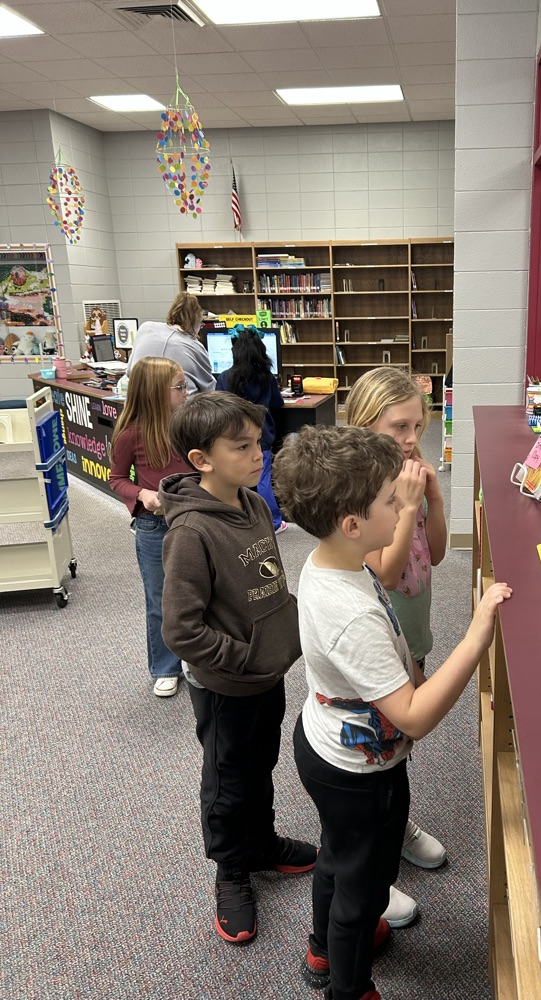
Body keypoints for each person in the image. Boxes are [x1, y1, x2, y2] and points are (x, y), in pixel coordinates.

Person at [273, 424, 512, 1000]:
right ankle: (347, 986)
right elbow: (413, 717)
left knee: (340, 857)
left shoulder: (333, 558)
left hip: (337, 746)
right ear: (353, 525)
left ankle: (323, 946)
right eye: (389, 500)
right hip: (357, 769)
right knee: (363, 885)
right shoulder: (348, 611)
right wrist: (476, 635)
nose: (399, 502)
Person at [158, 391, 316, 945]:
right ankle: (231, 870)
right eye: (242, 446)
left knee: (260, 765)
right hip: (228, 685)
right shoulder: (191, 532)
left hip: (266, 676)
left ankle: (263, 843)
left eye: (259, 443)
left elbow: (262, 579)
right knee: (227, 783)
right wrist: (244, 660)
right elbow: (180, 629)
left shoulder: (251, 504)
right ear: (202, 460)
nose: (259, 455)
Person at [345, 366, 447, 928]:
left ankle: (397, 825)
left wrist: (430, 496)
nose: (411, 439)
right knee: (372, 756)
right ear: (365, 425)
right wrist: (407, 504)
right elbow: (383, 571)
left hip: (415, 631)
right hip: (377, 644)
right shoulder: (361, 490)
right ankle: (372, 870)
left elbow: (437, 553)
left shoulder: (410, 479)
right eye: (398, 426)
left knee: (399, 746)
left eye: (418, 426)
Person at [110, 357, 193, 697]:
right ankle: (165, 666)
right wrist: (141, 493)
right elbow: (116, 479)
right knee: (160, 599)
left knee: (199, 593)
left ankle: (197, 658)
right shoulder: (131, 434)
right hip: (154, 527)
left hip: (193, 521)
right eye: (179, 388)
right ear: (157, 393)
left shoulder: (189, 425)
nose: (187, 393)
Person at [215, 325, 286, 533]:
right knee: (263, 480)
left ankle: (238, 519)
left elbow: (219, 404)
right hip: (261, 436)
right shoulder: (267, 377)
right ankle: (273, 522)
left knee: (235, 476)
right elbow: (277, 403)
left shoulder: (226, 377)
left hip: (234, 436)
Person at [128, 291, 215, 394]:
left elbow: (130, 372)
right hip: (182, 408)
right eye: (201, 324)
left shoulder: (146, 328)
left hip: (141, 401)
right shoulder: (194, 345)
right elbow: (208, 388)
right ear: (195, 322)